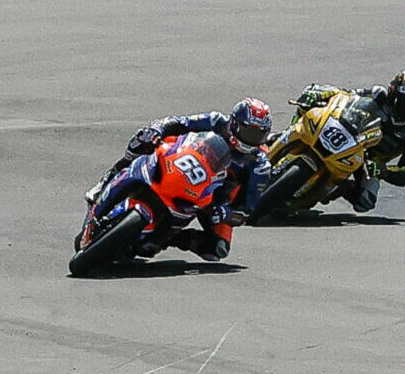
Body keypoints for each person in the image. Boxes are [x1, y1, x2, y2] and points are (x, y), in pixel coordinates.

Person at [90, 98, 272, 261]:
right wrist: (157, 129)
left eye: (259, 135)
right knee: (142, 139)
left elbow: (247, 209)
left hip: (211, 196)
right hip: (180, 161)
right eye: (250, 132)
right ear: (235, 123)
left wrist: (226, 213)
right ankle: (111, 177)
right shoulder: (216, 121)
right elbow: (179, 122)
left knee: (218, 250)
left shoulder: (259, 165)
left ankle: (168, 238)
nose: (253, 140)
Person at [284, 70, 405, 210]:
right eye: (396, 98)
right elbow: (346, 96)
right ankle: (288, 133)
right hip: (348, 134)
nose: (400, 106)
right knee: (310, 102)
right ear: (391, 92)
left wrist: (383, 171)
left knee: (365, 202)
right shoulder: (378, 94)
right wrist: (323, 93)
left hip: (368, 161)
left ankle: (337, 187)